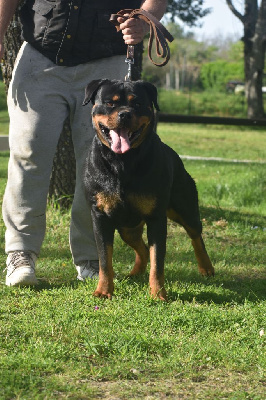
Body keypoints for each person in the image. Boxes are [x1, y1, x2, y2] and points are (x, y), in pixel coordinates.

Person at [1, 0, 168, 286]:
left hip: (106, 64)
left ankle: (91, 257)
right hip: (40, 56)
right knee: (29, 151)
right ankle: (21, 254)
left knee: (101, 164)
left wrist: (146, 17)